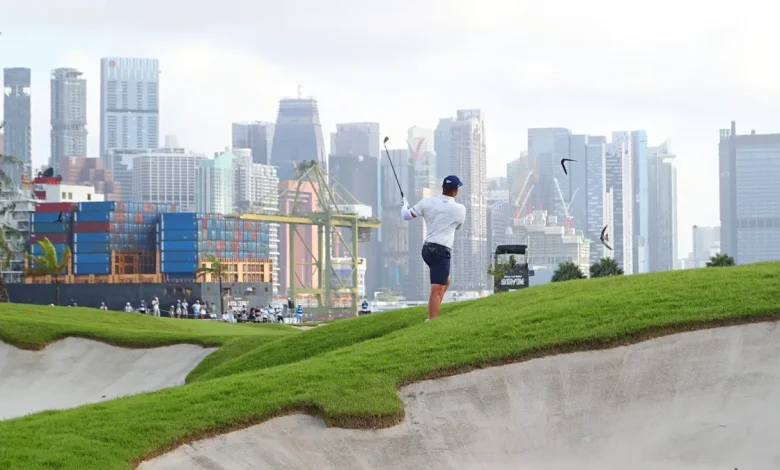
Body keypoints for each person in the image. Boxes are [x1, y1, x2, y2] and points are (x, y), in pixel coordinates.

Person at [401, 175, 466, 322]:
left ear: (443, 188)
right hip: (441, 252)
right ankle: (432, 320)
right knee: (437, 289)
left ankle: (433, 310)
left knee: (445, 282)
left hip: (427, 250)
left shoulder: (428, 202)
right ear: (456, 191)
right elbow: (458, 227)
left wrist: (404, 204)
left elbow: (406, 215)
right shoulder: (460, 209)